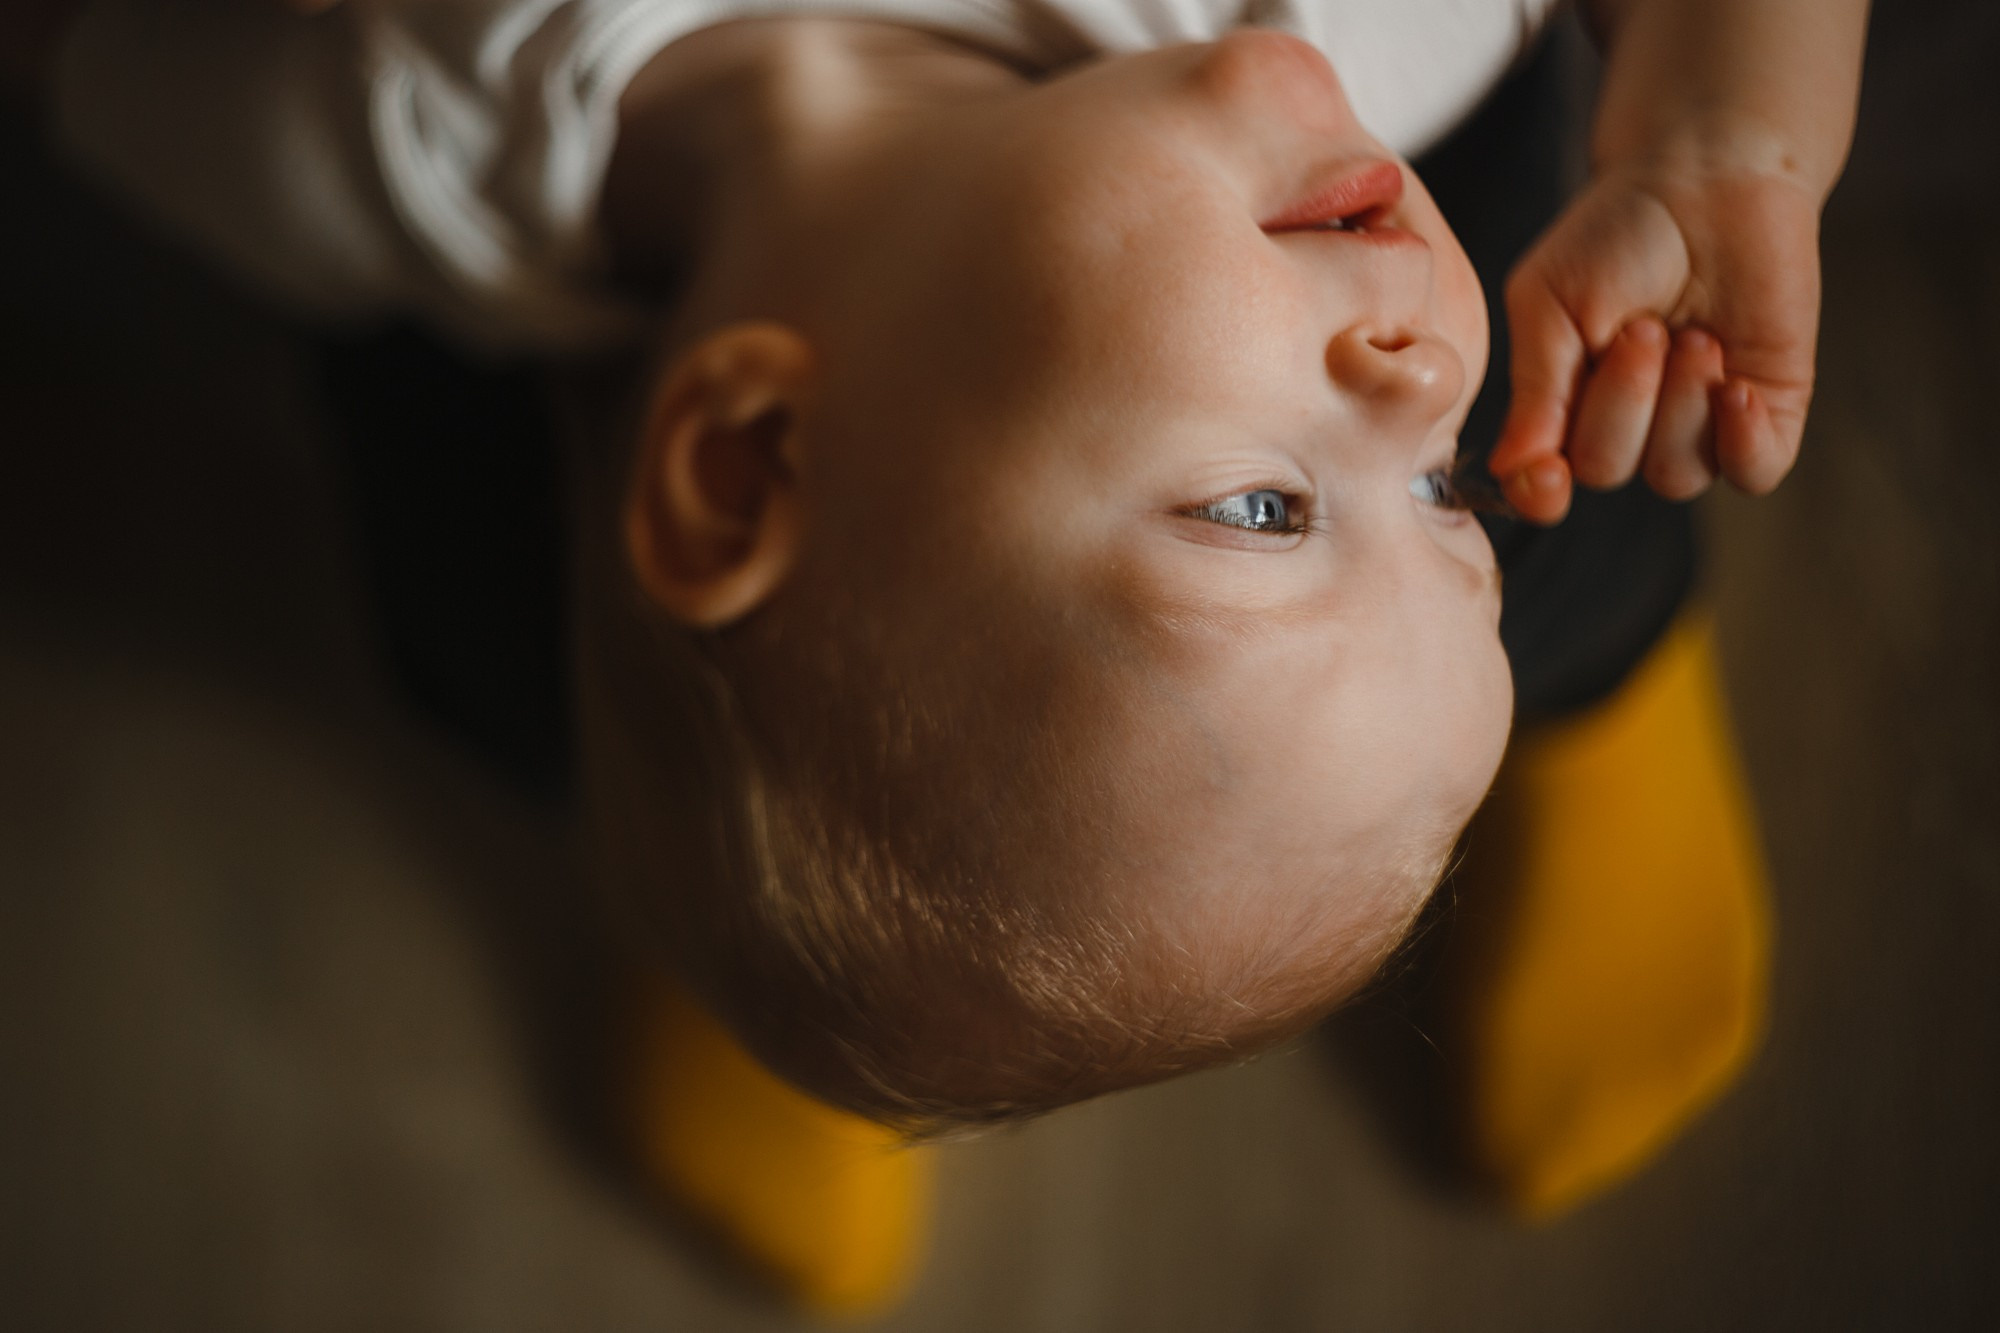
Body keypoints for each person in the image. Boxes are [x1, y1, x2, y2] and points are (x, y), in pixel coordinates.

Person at [27, 0, 1869, 1313]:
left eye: (1260, 511)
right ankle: (788, 937)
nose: (1431, 381)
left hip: (527, 308)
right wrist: (1709, 129)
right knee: (1582, 441)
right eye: (1441, 485)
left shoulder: (364, 122)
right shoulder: (1378, 49)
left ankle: (761, 911)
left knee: (489, 611)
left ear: (753, 455)